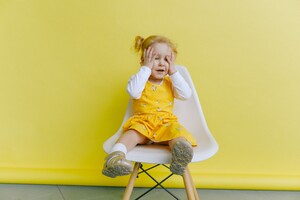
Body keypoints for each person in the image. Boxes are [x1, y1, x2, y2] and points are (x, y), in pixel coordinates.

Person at [102, 35, 197, 178]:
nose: (161, 63)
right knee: (131, 135)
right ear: (143, 61)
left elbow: (186, 94)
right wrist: (145, 68)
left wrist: (173, 71)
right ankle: (115, 158)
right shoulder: (138, 80)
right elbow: (133, 92)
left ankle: (180, 155)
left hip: (165, 123)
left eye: (166, 59)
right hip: (143, 123)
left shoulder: (170, 83)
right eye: (155, 58)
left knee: (177, 134)